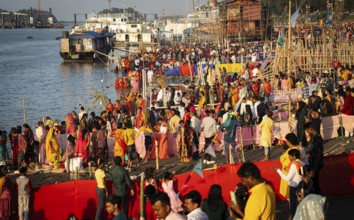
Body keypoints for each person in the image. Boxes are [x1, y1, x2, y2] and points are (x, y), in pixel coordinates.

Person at [274, 149, 304, 218]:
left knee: (293, 206)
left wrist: (278, 171)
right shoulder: (302, 163)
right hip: (301, 186)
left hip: (294, 188)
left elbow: (288, 178)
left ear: (293, 157)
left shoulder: (294, 165)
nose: (289, 158)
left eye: (290, 156)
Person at [304, 122, 324, 194]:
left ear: (311, 129)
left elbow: (318, 154)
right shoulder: (314, 137)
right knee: (314, 182)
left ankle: (317, 197)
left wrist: (314, 169)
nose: (307, 132)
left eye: (307, 130)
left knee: (314, 182)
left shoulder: (317, 139)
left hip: (316, 163)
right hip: (313, 162)